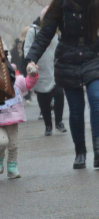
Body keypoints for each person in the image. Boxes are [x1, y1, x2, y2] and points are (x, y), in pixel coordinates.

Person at [26, 0, 99, 170]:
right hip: (67, 58)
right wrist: (31, 59)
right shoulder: (59, 4)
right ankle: (80, 152)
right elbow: (45, 34)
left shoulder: (98, 1)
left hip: (93, 55)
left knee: (97, 100)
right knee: (76, 109)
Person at [24, 8, 66, 136]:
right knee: (44, 100)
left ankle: (59, 122)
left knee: (59, 94)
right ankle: (48, 125)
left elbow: (61, 45)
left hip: (55, 68)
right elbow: (28, 48)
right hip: (40, 70)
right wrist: (31, 63)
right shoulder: (33, 31)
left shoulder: (56, 30)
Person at [0, 63, 38, 179]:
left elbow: (28, 83)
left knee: (13, 144)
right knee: (2, 142)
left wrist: (33, 74)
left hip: (12, 119)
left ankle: (12, 167)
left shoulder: (17, 80)